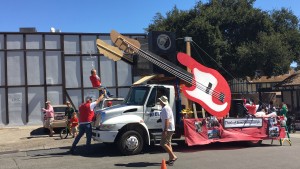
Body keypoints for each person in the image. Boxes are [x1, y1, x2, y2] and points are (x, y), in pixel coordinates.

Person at [69, 90, 105, 154]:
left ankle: (73, 147)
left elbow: (79, 114)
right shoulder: (90, 105)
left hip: (81, 123)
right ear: (90, 100)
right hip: (87, 124)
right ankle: (88, 150)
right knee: (88, 137)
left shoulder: (81, 106)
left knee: (79, 136)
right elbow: (98, 100)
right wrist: (102, 94)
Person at [158, 96, 177, 166]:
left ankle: (173, 156)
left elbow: (167, 120)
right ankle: (170, 159)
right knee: (168, 144)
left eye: (160, 101)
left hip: (168, 129)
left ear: (162, 102)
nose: (159, 102)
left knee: (163, 143)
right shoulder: (166, 108)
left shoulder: (165, 109)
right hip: (170, 128)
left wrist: (165, 130)